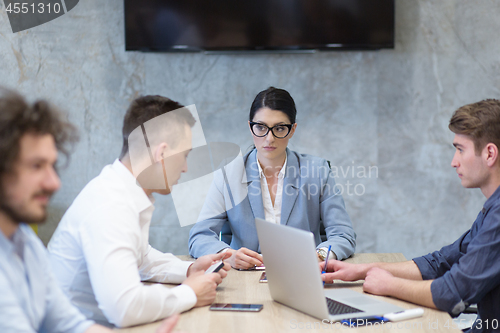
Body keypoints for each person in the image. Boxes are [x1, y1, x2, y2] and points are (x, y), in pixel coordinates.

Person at [0, 89, 179, 333]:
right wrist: (189, 293)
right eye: (36, 166)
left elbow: (68, 324)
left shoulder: (25, 243)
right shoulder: (110, 203)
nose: (54, 183)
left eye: (52, 166)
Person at [48, 95, 230, 328]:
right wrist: (190, 294)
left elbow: (141, 258)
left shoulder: (119, 190)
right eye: (184, 156)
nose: (185, 168)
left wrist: (189, 269)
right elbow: (124, 307)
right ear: (161, 154)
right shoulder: (111, 206)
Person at [321, 99, 500, 333]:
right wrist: (362, 270)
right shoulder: (491, 209)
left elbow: (452, 292)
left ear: (489, 154)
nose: (453, 162)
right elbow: (441, 262)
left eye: (460, 149)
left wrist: (389, 285)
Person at [188, 87, 356, 269]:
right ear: (250, 127)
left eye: (280, 128)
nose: (269, 138)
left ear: (292, 130)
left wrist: (320, 255)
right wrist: (227, 255)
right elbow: (199, 237)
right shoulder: (228, 175)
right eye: (261, 127)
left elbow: (343, 234)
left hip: (301, 273)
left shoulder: (318, 171)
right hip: (243, 277)